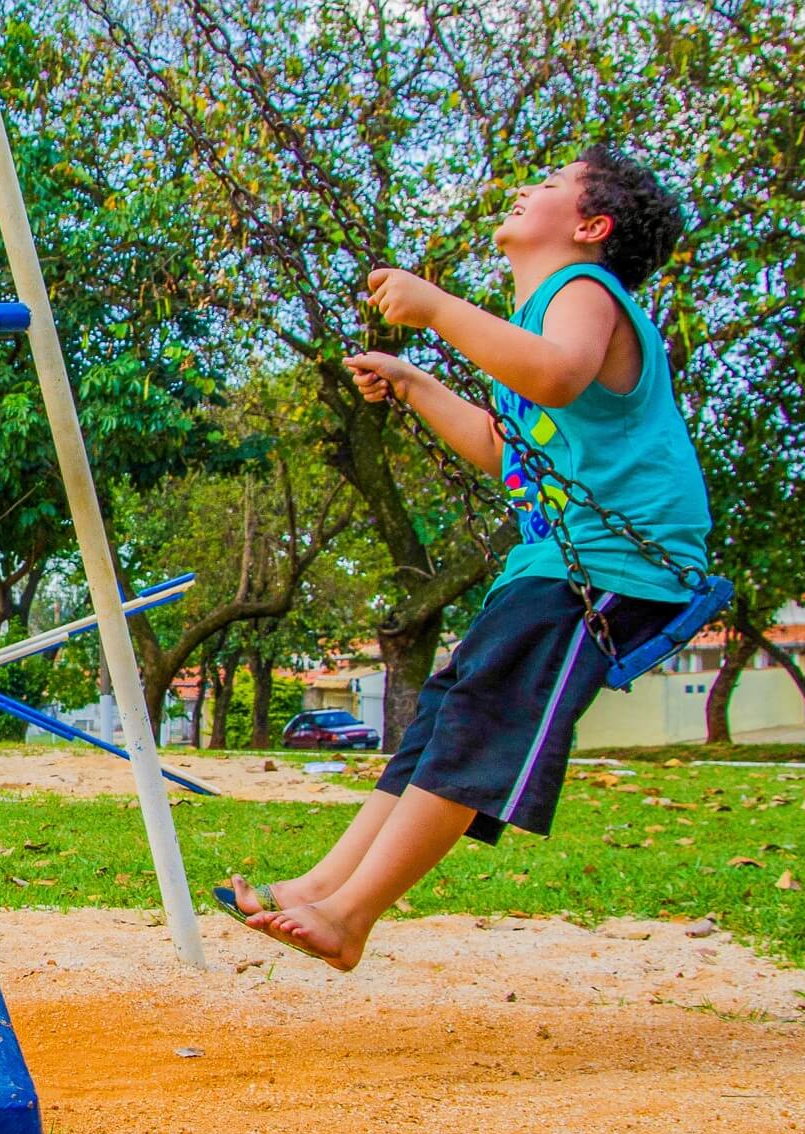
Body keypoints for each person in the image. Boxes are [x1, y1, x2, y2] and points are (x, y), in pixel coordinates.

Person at [217, 146, 711, 970]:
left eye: (550, 187)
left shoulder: (584, 292)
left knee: (481, 723)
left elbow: (556, 378)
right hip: (557, 560)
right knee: (442, 720)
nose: (524, 190)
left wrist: (437, 308)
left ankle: (352, 914)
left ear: (591, 227)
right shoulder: (535, 321)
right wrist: (414, 382)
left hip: (615, 568)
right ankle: (324, 886)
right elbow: (501, 443)